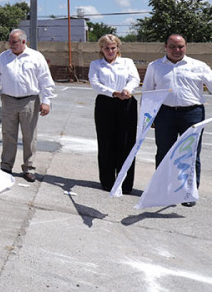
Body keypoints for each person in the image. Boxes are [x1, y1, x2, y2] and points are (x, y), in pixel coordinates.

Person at [143, 33, 212, 207]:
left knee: (190, 154)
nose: (177, 50)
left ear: (186, 47)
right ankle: (162, 191)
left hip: (192, 114)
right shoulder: (155, 66)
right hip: (164, 114)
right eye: (172, 46)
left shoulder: (199, 66)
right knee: (164, 153)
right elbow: (148, 92)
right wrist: (148, 116)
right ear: (165, 46)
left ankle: (188, 193)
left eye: (180, 46)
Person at [0, 29, 55, 182]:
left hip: (30, 101)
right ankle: (6, 166)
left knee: (29, 136)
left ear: (24, 42)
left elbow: (46, 81)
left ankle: (29, 168)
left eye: (14, 42)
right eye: (9, 42)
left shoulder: (36, 57)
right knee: (8, 134)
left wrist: (46, 101)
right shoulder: (3, 57)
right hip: (8, 100)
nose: (10, 45)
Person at [88, 34, 139, 193]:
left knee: (126, 143)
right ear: (101, 49)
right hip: (105, 104)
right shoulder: (96, 64)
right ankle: (107, 181)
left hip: (127, 104)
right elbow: (95, 84)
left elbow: (134, 78)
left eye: (113, 48)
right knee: (106, 142)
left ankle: (125, 183)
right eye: (107, 48)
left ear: (118, 48)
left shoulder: (127, 62)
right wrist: (113, 92)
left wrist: (127, 90)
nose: (110, 51)